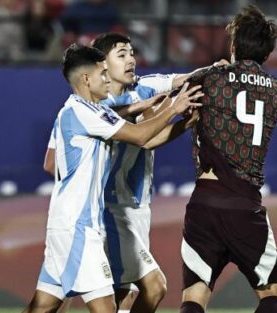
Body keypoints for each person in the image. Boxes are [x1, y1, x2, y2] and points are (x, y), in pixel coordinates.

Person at [23, 44, 203, 313]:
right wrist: (174, 108)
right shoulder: (80, 112)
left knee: (43, 306)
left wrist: (158, 113)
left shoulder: (85, 109)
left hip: (69, 223)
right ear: (86, 79)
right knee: (107, 308)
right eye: (102, 74)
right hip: (78, 227)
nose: (107, 79)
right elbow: (140, 136)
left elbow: (132, 129)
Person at [179, 5, 277, 313]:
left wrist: (215, 70)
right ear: (267, 53)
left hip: (204, 201)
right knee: (272, 294)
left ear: (234, 46)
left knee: (194, 295)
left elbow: (185, 97)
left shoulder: (210, 79)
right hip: (245, 204)